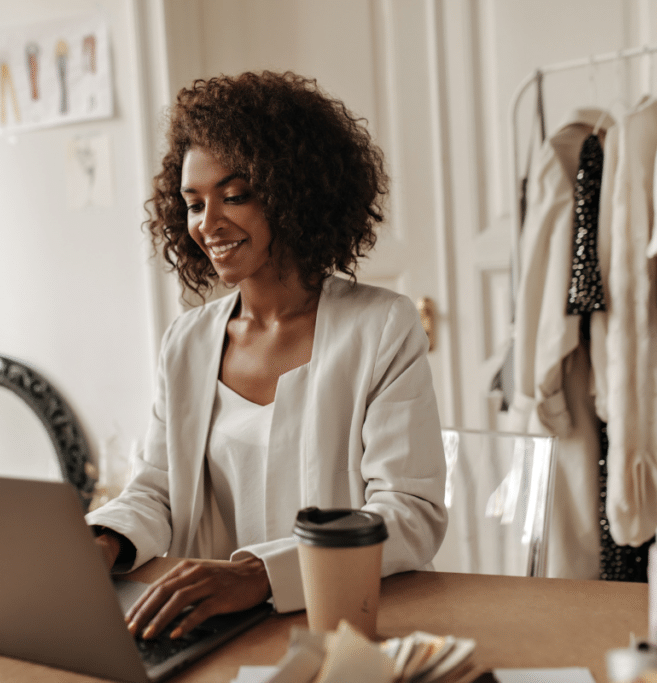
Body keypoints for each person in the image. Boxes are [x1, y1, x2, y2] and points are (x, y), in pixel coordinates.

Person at [86, 70, 446, 642]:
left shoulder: (380, 326)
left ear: (294, 192)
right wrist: (104, 540)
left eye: (234, 196)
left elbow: (409, 513)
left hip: (345, 628)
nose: (209, 224)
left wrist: (259, 573)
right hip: (211, 631)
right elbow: (156, 487)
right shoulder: (187, 341)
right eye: (193, 202)